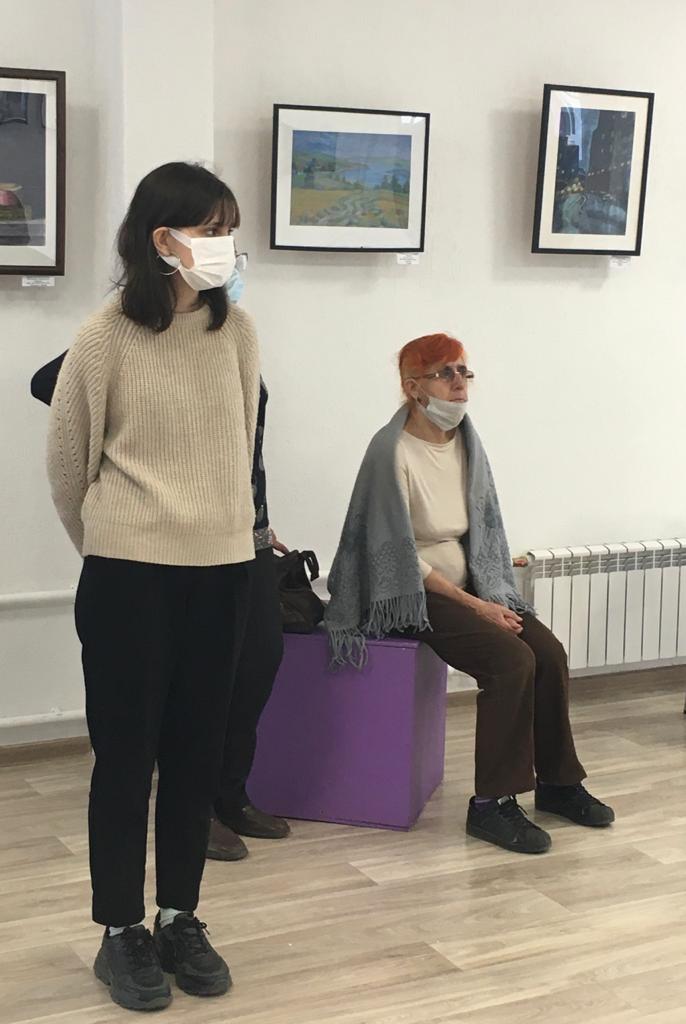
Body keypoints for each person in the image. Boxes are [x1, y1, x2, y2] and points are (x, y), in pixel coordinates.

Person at [45, 161, 261, 1012]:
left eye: (229, 230)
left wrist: (223, 533)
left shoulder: (236, 332)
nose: (224, 247)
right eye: (211, 231)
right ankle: (119, 929)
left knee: (196, 756)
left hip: (222, 571)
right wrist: (114, 545)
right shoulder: (104, 337)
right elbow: (69, 465)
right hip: (128, 579)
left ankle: (179, 916)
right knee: (126, 759)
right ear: (162, 239)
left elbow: (241, 445)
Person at [325, 332, 614, 857]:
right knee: (511, 661)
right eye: (444, 373)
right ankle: (490, 805)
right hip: (406, 593)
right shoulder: (390, 451)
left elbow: (481, 528)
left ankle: (557, 783)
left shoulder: (467, 443)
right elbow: (394, 553)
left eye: (464, 371)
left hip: (471, 583)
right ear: (413, 387)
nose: (459, 383)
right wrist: (477, 605)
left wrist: (491, 589)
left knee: (548, 652)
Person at [32, 293, 289, 869]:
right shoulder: (121, 331)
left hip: (236, 532)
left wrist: (255, 520)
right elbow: (48, 387)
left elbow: (242, 449)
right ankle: (195, 811)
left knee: (256, 663)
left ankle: (227, 794)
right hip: (151, 544)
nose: (224, 259)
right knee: (159, 703)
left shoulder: (233, 334)